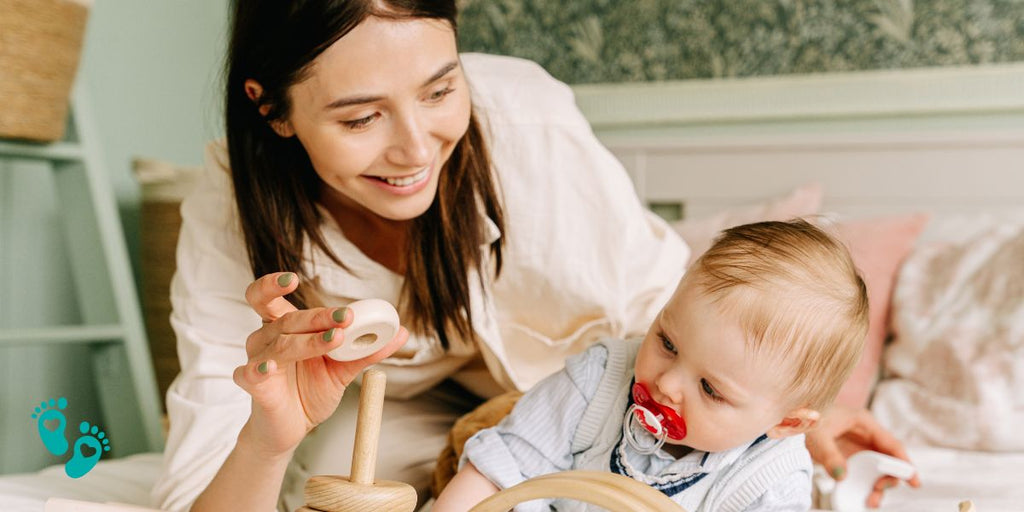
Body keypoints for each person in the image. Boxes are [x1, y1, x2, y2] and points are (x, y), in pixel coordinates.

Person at [153, 1, 918, 511]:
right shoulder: (236, 212)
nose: (417, 149)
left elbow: (681, 322)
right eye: (360, 118)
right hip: (452, 420)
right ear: (270, 107)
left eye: (440, 90)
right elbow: (201, 482)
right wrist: (270, 432)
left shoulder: (527, 124)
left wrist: (759, 409)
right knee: (338, 478)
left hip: (601, 398)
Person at [434, 220, 898, 511]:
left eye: (711, 390)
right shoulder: (598, 380)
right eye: (668, 342)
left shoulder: (769, 480)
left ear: (788, 421)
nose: (667, 384)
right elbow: (495, 470)